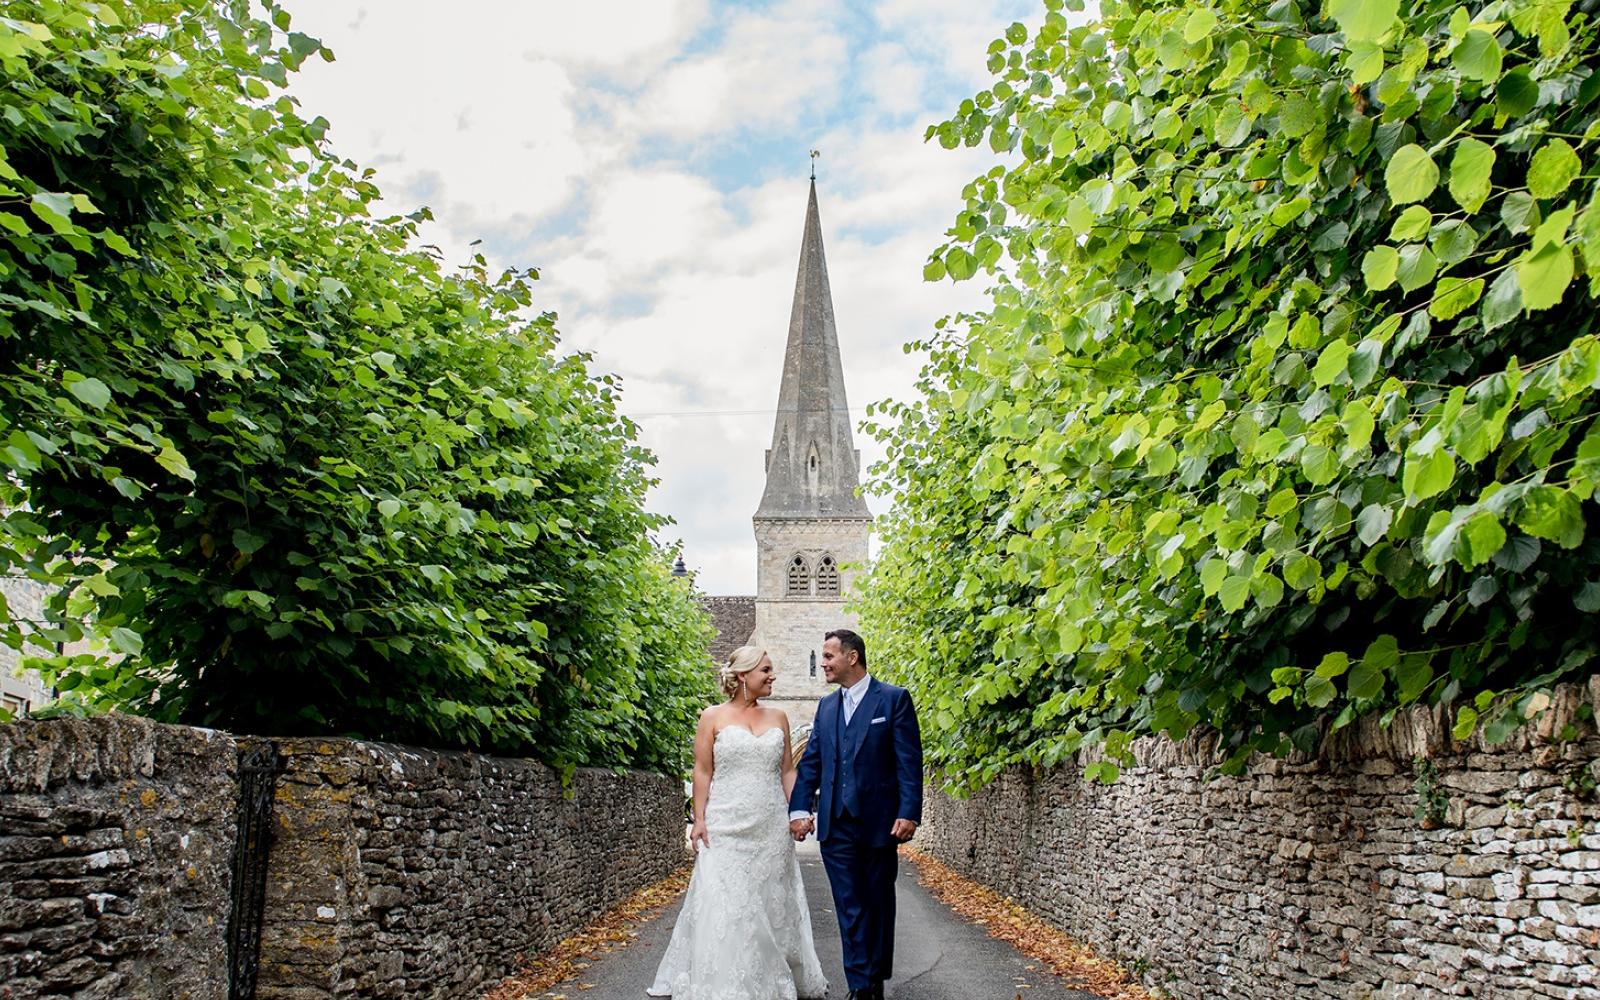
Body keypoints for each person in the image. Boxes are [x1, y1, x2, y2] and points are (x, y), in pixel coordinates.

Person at [647, 646, 828, 999]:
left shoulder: (778, 717)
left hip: (770, 823)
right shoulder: (711, 717)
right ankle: (727, 982)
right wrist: (698, 819)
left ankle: (772, 976)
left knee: (769, 900)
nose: (772, 676)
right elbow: (702, 770)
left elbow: (787, 770)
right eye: (766, 670)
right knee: (727, 902)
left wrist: (799, 811)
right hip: (725, 823)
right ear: (744, 676)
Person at [788, 629, 923, 1000]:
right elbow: (811, 763)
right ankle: (861, 986)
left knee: (877, 902)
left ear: (852, 657)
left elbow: (909, 762)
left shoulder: (893, 700)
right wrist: (799, 810)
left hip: (881, 825)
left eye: (829, 656)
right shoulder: (826, 708)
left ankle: (875, 976)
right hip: (836, 827)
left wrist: (909, 812)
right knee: (849, 906)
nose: (824, 663)